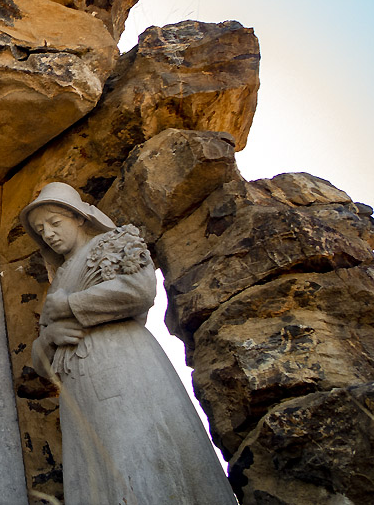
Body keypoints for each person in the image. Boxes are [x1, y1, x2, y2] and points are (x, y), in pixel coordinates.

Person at [21, 182, 236, 505]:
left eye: (55, 222)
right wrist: (49, 338)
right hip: (79, 389)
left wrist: (71, 306)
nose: (48, 234)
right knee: (96, 475)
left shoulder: (113, 243)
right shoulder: (60, 279)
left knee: (139, 457)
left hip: (121, 364)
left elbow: (138, 290)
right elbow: (41, 360)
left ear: (79, 217)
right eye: (41, 230)